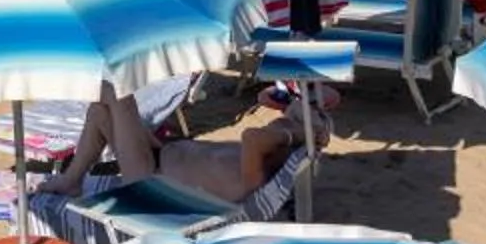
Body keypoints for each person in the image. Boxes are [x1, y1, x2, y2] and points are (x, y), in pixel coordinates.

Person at [42, 86, 319, 206]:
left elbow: (252, 137)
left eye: (291, 119)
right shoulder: (273, 152)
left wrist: (291, 132)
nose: (280, 120)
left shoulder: (260, 166)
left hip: (149, 182)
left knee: (114, 95)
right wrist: (294, 127)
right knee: (99, 112)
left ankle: (69, 180)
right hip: (160, 156)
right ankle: (71, 181)